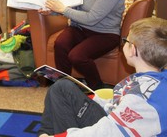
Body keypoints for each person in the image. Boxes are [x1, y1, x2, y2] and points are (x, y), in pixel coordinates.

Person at [38, 17, 167, 137]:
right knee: (61, 88)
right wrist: (94, 99)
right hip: (114, 122)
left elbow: (108, 131)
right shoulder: (149, 80)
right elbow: (118, 106)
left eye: (126, 41)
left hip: (112, 130)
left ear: (132, 49)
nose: (124, 44)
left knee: (61, 89)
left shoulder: (143, 97)